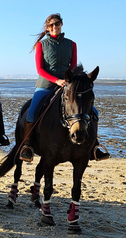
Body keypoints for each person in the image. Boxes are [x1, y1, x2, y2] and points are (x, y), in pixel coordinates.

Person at [20, 13, 109, 161]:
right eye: (51, 25)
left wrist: (70, 82)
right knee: (32, 112)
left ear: (61, 24)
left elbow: (73, 67)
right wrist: (56, 81)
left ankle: (94, 146)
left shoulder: (72, 44)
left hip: (69, 85)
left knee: (93, 112)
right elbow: (40, 70)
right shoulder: (41, 45)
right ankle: (27, 146)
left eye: (57, 24)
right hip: (46, 85)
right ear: (48, 28)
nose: (54, 27)